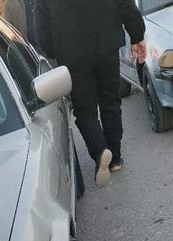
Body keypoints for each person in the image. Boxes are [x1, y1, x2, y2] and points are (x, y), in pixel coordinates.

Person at [36, 0, 146, 187]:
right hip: (106, 42)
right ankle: (115, 158)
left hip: (72, 53)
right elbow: (124, 3)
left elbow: (42, 22)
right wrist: (137, 35)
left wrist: (51, 50)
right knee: (110, 100)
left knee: (84, 108)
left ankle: (100, 150)